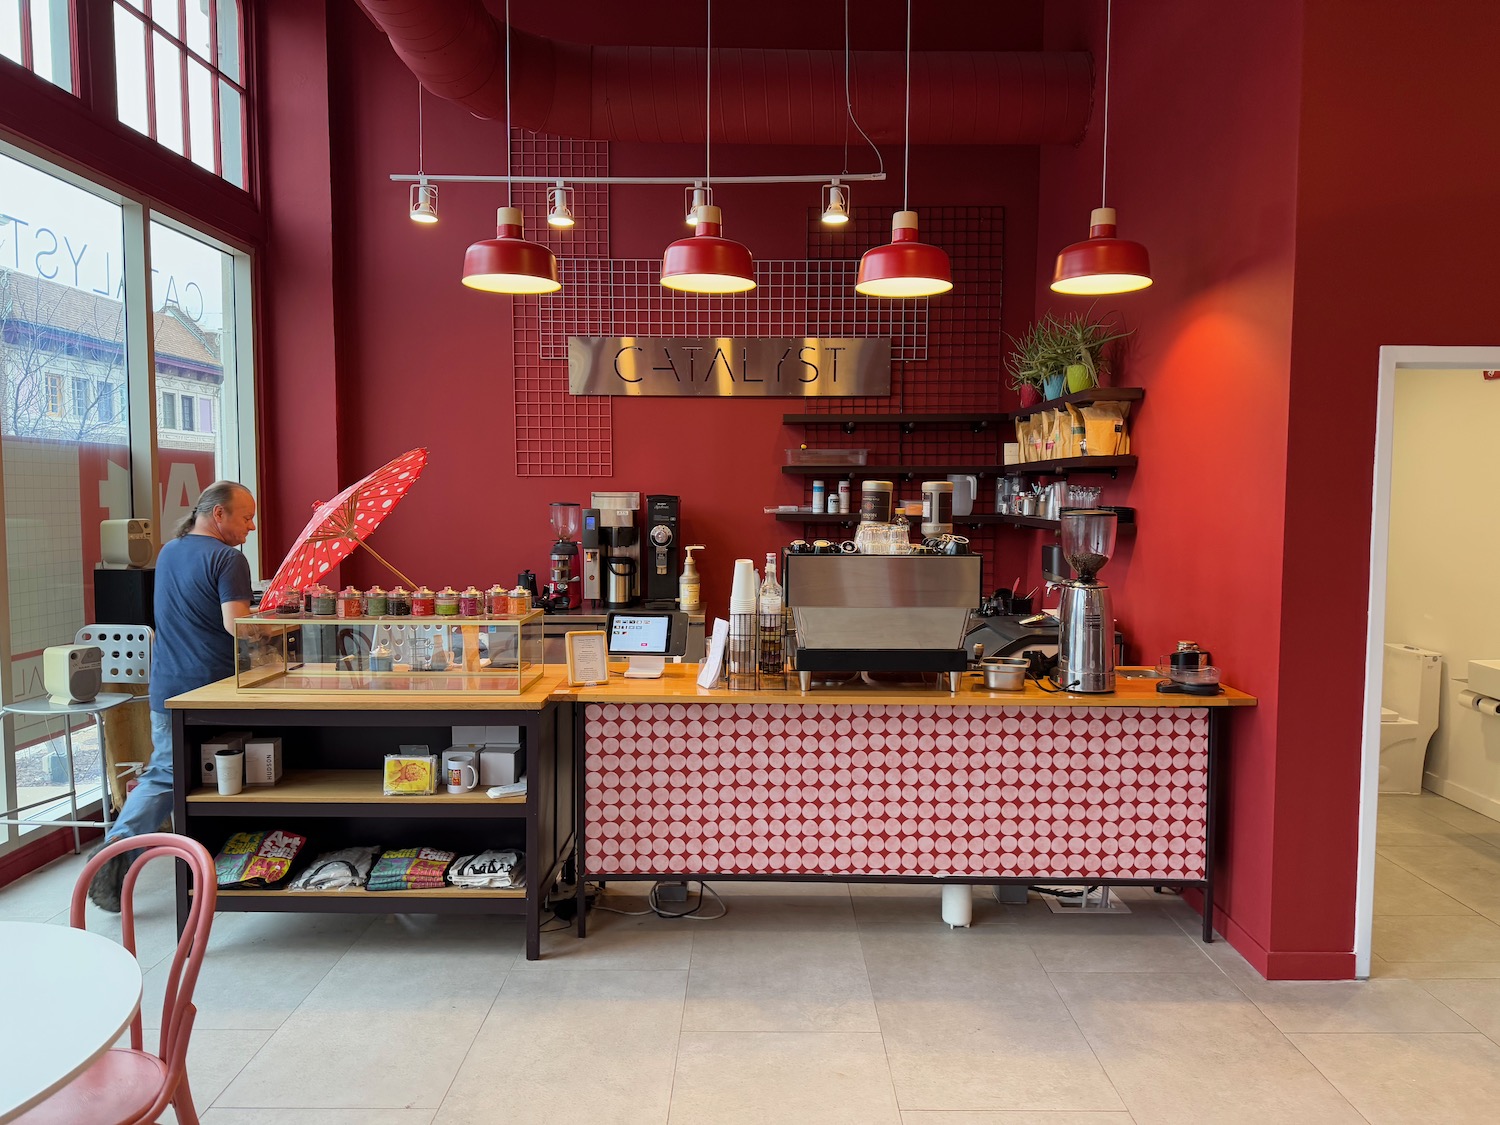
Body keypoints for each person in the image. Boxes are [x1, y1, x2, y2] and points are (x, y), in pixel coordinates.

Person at [89, 481, 256, 911]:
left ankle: (123, 850)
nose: (250, 526)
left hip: (166, 684)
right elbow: (234, 626)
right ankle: (117, 851)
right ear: (218, 514)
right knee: (202, 773)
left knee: (167, 771)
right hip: (211, 686)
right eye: (245, 516)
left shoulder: (169, 551)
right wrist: (269, 621)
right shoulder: (228, 559)